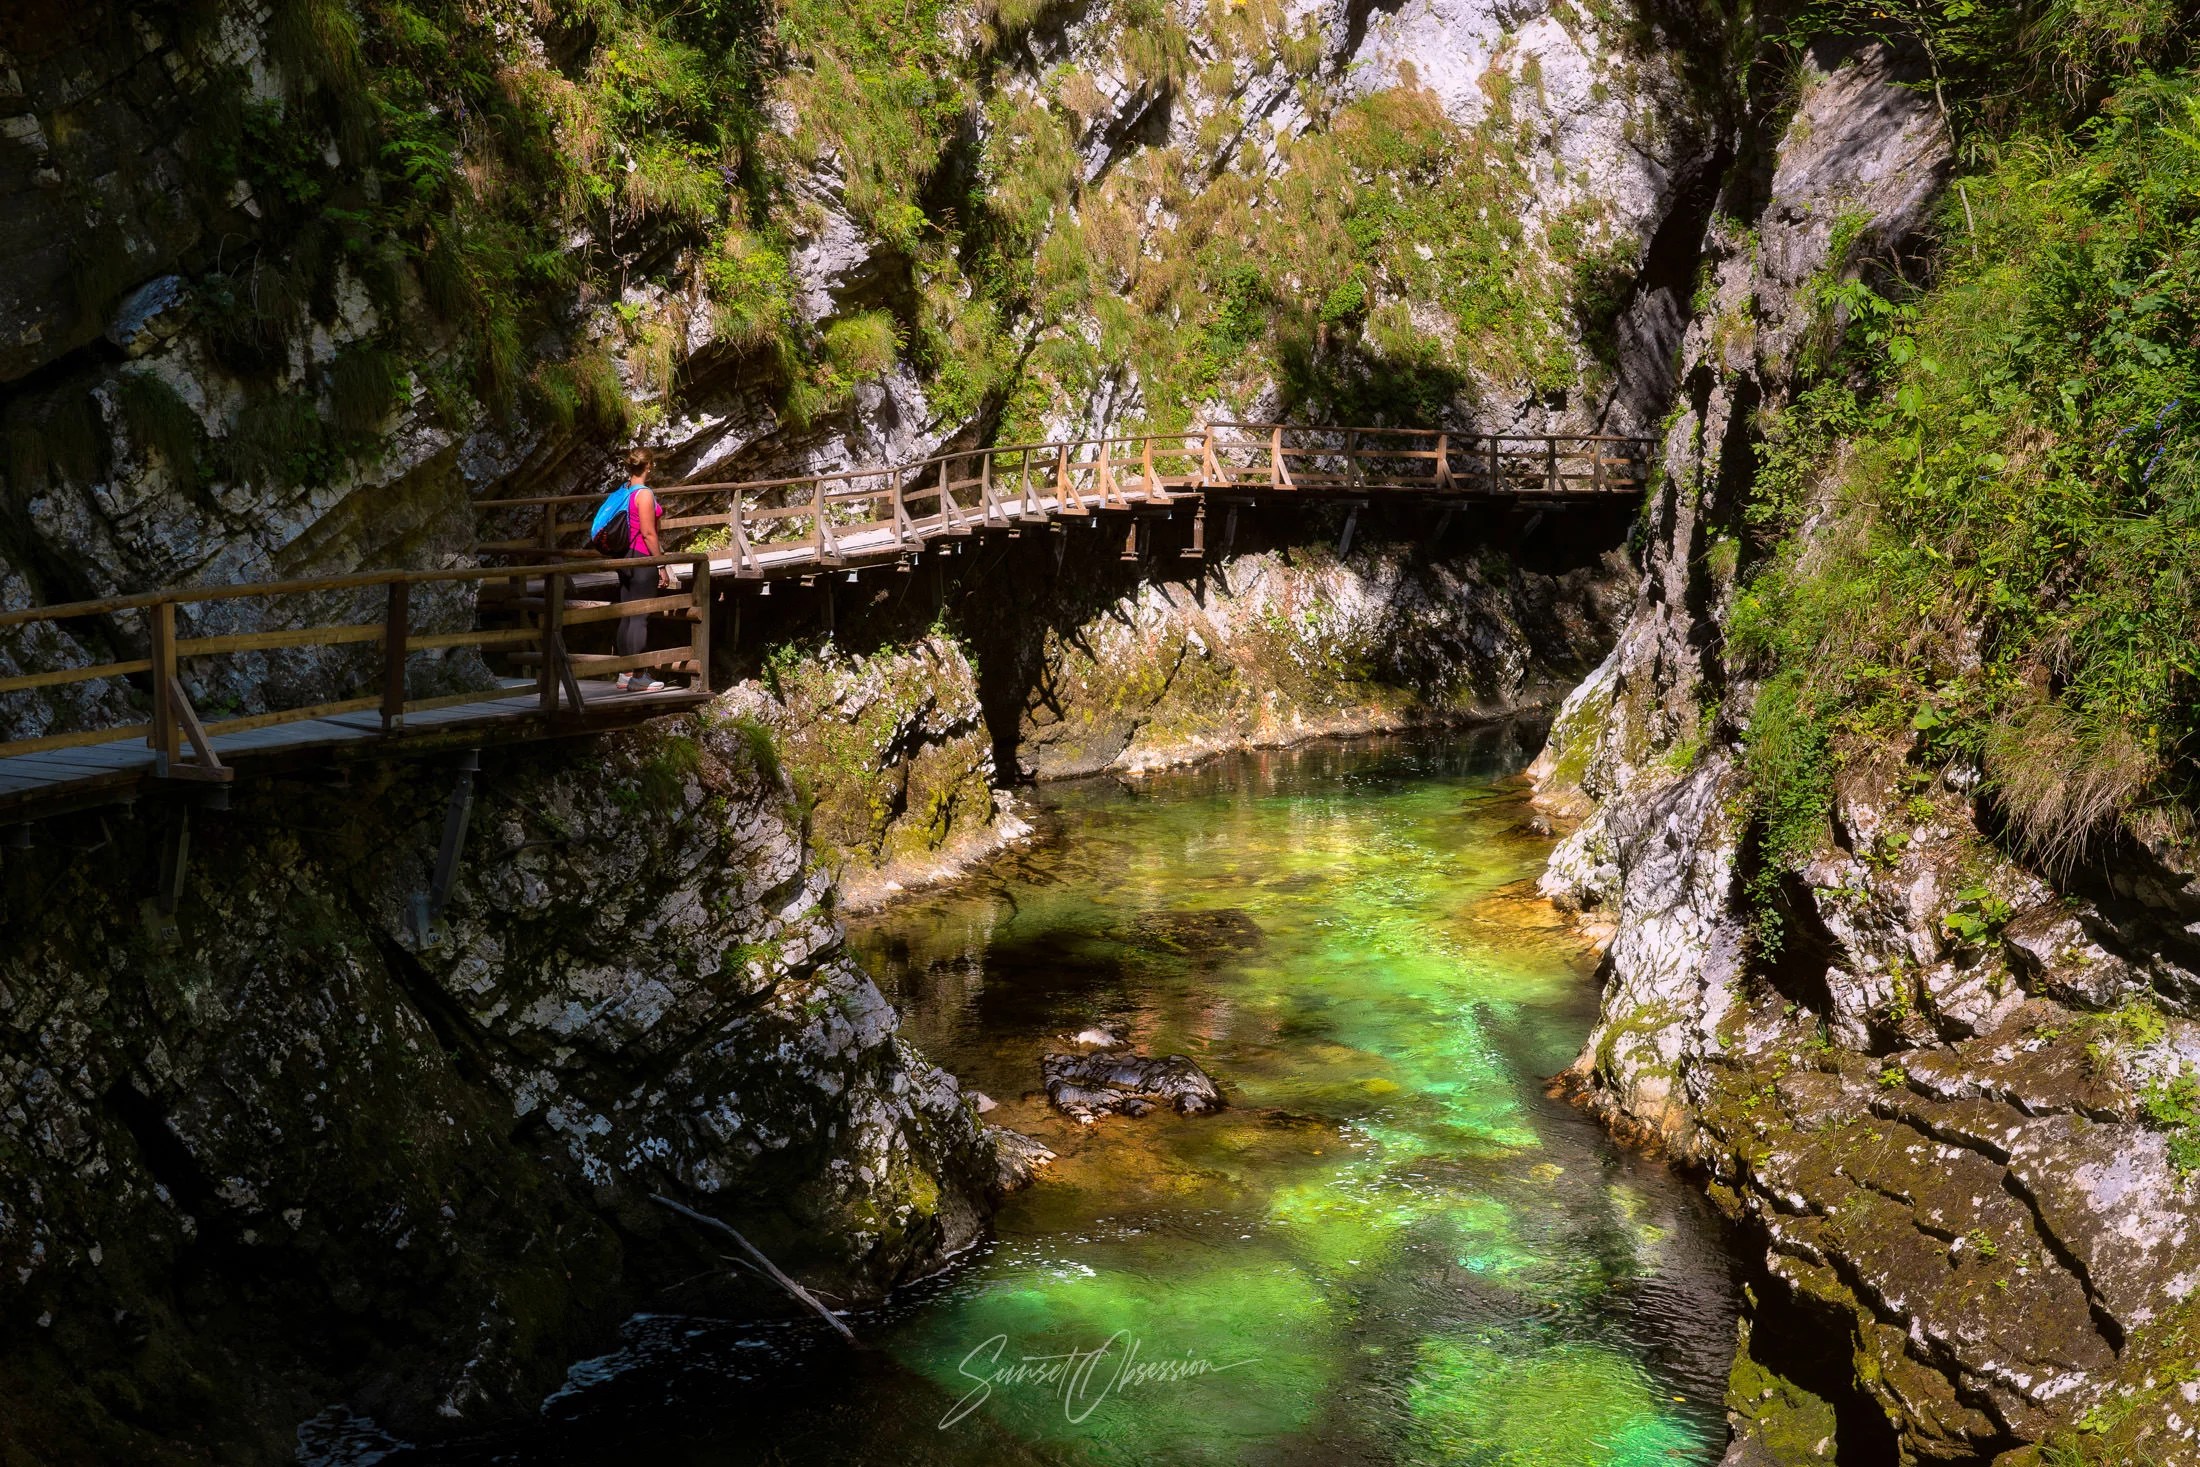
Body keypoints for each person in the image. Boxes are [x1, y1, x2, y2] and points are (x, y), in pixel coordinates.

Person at [589, 446, 678, 692]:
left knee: (628, 615)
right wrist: (660, 563)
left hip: (624, 558)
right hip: (641, 558)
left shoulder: (624, 490)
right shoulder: (644, 494)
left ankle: (625, 673)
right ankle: (639, 676)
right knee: (640, 617)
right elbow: (649, 534)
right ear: (649, 466)